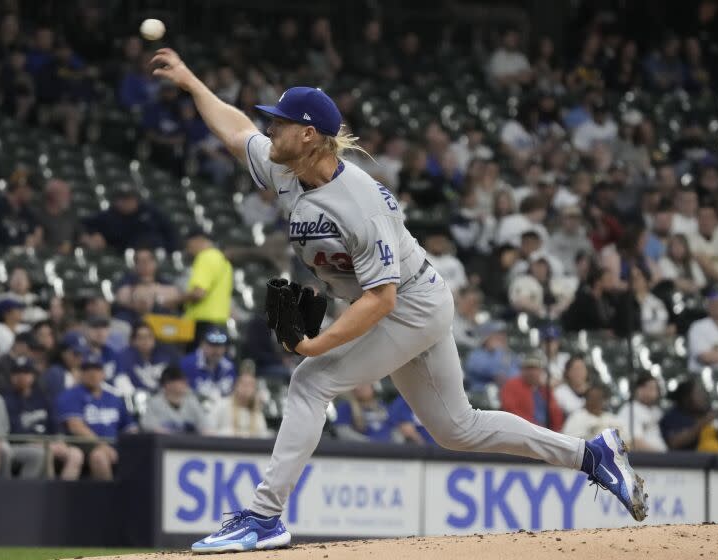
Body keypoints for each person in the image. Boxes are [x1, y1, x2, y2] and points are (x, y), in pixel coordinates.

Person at [151, 49, 647, 552]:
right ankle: (591, 455)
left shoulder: (360, 204)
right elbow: (236, 131)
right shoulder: (287, 166)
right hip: (407, 300)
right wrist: (192, 81)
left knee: (309, 382)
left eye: (278, 123)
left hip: (410, 303)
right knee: (458, 428)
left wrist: (316, 346)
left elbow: (382, 300)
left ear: (307, 135)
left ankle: (264, 516)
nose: (269, 130)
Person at [1, 358, 84, 479]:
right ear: (12, 377)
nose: (21, 377)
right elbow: (16, 432)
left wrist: (59, 439)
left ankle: (62, 493)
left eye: (26, 373)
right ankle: (48, 494)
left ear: (32, 376)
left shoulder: (42, 397)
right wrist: (45, 443)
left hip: (49, 442)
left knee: (76, 454)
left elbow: (56, 423)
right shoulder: (6, 399)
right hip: (23, 444)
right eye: (17, 373)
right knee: (46, 453)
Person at [56, 357, 138, 480]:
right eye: (88, 370)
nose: (93, 374)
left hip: (115, 445)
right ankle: (109, 498)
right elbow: (76, 428)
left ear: (103, 373)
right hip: (84, 446)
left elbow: (130, 428)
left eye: (97, 370)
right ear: (81, 373)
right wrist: (102, 446)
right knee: (99, 456)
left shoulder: (113, 398)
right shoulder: (71, 395)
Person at [81, 182, 178, 253]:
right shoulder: (108, 216)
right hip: (120, 257)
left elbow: (171, 231)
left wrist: (170, 250)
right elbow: (83, 225)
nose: (126, 203)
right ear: (115, 201)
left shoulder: (151, 212)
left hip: (154, 255)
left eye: (129, 199)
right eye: (122, 199)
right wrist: (93, 234)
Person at [179, 228, 233, 344]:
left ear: (197, 241)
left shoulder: (205, 257)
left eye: (189, 245)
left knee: (200, 360)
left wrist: (176, 300)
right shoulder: (223, 259)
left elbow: (199, 293)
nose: (189, 250)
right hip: (220, 321)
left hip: (203, 322)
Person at [114, 246, 182, 324]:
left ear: (155, 263)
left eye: (148, 260)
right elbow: (121, 298)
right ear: (135, 265)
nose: (144, 264)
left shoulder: (168, 286)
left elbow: (175, 298)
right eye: (140, 261)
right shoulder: (126, 286)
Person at [0, 168, 42, 247]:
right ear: (20, 187)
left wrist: (34, 239)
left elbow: (35, 234)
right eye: (30, 189)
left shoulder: (27, 212)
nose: (32, 194)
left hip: (18, 256)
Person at [500, 353, 564, 431]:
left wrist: (556, 431)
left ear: (541, 371)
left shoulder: (544, 388)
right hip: (522, 431)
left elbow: (556, 412)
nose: (532, 372)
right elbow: (511, 412)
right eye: (528, 368)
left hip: (546, 432)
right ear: (522, 370)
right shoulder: (511, 385)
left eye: (535, 368)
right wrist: (535, 428)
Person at [114, 323, 178, 393]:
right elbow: (124, 380)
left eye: (149, 336)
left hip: (162, 398)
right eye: (141, 337)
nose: (146, 341)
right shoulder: (125, 357)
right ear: (132, 341)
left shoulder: (164, 354)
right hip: (138, 397)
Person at [659, 379, 718, 452]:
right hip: (685, 461)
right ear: (686, 398)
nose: (703, 396)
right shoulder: (672, 417)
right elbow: (673, 443)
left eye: (704, 392)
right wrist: (702, 423)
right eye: (699, 393)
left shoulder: (711, 413)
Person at [207, 368, 271, 438]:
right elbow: (208, 431)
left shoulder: (257, 413)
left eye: (250, 385)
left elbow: (264, 436)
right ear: (236, 386)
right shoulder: (222, 404)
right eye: (243, 384)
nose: (246, 389)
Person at [140, 366, 205, 434]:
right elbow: (148, 427)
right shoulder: (154, 403)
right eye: (181, 380)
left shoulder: (192, 401)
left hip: (190, 443)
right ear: (168, 384)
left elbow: (206, 427)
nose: (185, 383)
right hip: (164, 443)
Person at [179, 326, 236, 401]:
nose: (216, 350)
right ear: (202, 344)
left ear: (225, 348)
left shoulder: (229, 367)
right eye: (212, 345)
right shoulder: (187, 364)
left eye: (220, 346)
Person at [616, 373, 667, 452]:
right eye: (644, 387)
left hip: (665, 459)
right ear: (637, 389)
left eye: (653, 388)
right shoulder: (630, 409)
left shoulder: (657, 411)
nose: (648, 392)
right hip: (645, 461)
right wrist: (663, 457)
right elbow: (635, 443)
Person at [464, 321, 520, 389]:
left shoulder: (511, 355)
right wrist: (498, 351)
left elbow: (518, 375)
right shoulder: (476, 355)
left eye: (503, 334)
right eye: (497, 335)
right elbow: (495, 372)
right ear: (486, 337)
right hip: (480, 395)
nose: (502, 338)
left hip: (506, 393)